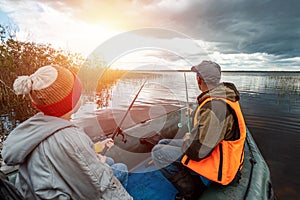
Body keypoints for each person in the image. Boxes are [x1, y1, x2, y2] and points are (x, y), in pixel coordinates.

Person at [2, 65, 132, 200]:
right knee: (120, 167)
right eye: (78, 93)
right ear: (70, 103)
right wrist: (102, 162)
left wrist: (99, 146)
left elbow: (67, 155)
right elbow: (100, 186)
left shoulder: (34, 127)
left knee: (109, 160)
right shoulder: (71, 138)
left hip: (39, 191)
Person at [151, 61, 246, 200]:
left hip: (221, 164)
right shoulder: (223, 96)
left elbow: (197, 152)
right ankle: (192, 179)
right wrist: (195, 114)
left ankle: (193, 193)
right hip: (214, 150)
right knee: (164, 142)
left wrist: (187, 139)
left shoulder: (215, 107)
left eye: (197, 76)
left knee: (158, 153)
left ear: (200, 79)